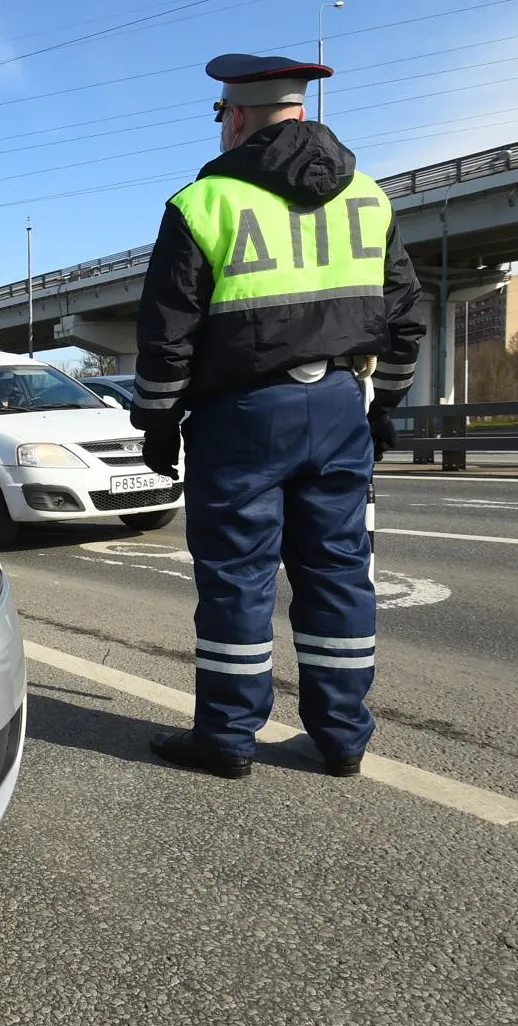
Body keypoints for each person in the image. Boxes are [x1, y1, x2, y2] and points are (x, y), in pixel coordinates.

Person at [127, 53, 427, 780]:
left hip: (242, 415)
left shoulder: (204, 204)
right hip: (337, 409)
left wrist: (158, 425)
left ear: (235, 115)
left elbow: (168, 334)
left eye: (221, 116)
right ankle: (342, 737)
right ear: (299, 111)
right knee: (337, 573)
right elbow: (406, 320)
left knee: (237, 579)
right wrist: (383, 405)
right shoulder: (370, 199)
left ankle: (227, 738)